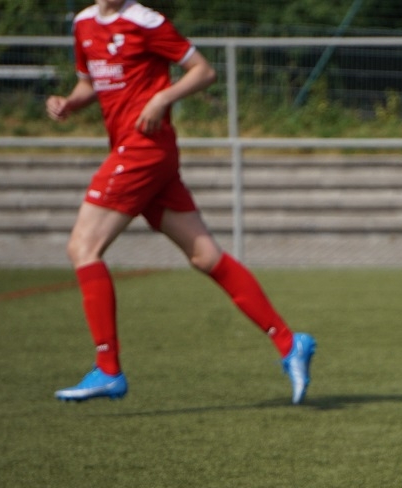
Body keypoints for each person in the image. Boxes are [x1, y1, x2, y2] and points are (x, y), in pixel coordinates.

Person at [46, 0, 315, 404]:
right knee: (205, 256)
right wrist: (69, 102)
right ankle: (290, 343)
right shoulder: (83, 23)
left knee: (83, 247)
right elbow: (89, 84)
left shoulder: (144, 21)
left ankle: (108, 368)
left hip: (142, 149)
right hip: (141, 152)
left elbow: (203, 70)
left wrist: (161, 99)